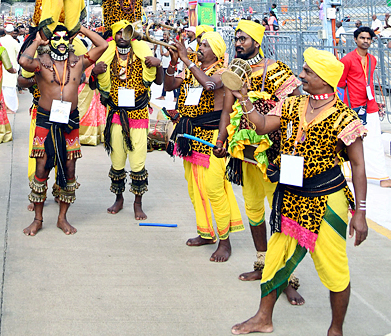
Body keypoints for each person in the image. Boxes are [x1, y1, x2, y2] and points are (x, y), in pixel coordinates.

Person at [230, 48, 368, 336]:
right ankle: (263, 317)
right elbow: (264, 125)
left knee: (333, 268)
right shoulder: (293, 105)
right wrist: (244, 98)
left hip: (326, 201)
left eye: (308, 72)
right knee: (276, 257)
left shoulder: (345, 118)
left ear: (325, 80)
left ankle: (335, 330)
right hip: (291, 196)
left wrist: (363, 214)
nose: (301, 75)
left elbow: (357, 166)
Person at [215, 19, 303, 305]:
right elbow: (227, 111)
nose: (238, 43)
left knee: (280, 214)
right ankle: (262, 264)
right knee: (254, 211)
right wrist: (221, 140)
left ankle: (286, 277)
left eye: (243, 39)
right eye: (236, 38)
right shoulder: (234, 72)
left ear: (256, 42)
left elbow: (295, 108)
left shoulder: (278, 71)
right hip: (246, 158)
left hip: (273, 157)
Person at [19, 24, 107, 235]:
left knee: (70, 168)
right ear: (50, 43)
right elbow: (23, 61)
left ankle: (62, 218)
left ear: (70, 41)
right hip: (45, 120)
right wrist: (37, 42)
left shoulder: (79, 62)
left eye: (64, 38)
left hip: (70, 121)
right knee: (41, 167)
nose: (60, 42)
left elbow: (103, 44)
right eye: (55, 38)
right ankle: (38, 219)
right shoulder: (40, 64)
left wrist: (82, 30)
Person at [164, 30, 244, 261]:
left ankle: (224, 241)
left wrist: (188, 61)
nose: (200, 47)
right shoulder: (192, 68)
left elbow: (210, 85)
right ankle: (206, 232)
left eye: (206, 45)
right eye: (200, 43)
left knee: (213, 188)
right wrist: (173, 62)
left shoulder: (223, 72)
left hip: (212, 138)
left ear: (216, 51)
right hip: (190, 137)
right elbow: (169, 86)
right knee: (194, 187)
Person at [93, 19, 162, 220]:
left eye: (126, 33)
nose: (122, 37)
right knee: (117, 159)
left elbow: (157, 81)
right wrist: (96, 73)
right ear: (113, 37)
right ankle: (119, 198)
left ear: (132, 35)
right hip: (115, 114)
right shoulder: (107, 55)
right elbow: (92, 83)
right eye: (118, 33)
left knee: (138, 160)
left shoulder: (142, 53)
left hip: (138, 114)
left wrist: (158, 65)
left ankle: (138, 203)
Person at [338, 26, 391, 187]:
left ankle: (380, 176)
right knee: (350, 141)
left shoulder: (372, 59)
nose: (365, 41)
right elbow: (340, 85)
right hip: (352, 108)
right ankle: (347, 173)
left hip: (370, 107)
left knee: (374, 140)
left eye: (368, 38)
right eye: (362, 38)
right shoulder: (346, 60)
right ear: (355, 39)